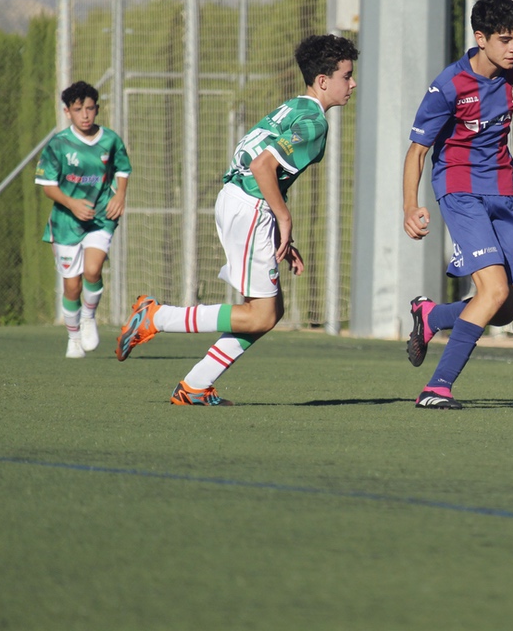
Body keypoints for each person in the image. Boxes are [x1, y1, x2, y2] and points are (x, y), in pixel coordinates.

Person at [113, 34, 359, 405]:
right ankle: (156, 316)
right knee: (260, 314)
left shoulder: (294, 107)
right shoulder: (314, 124)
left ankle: (195, 385)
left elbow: (259, 164)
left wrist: (278, 232)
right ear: (323, 81)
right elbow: (263, 167)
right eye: (347, 75)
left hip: (240, 202)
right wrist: (283, 217)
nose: (353, 83)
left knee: (266, 311)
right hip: (249, 207)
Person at [403, 0, 513, 409]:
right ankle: (436, 388)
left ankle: (431, 317)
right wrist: (410, 206)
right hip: (459, 189)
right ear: (481, 38)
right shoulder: (449, 85)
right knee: (491, 293)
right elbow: (417, 151)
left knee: (505, 307)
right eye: (505, 40)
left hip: (503, 188)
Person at [35, 81, 132, 359]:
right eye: (79, 110)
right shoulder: (59, 145)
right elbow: (47, 186)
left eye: (90, 109)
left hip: (101, 216)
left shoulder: (110, 140)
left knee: (93, 269)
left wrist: (120, 195)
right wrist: (72, 203)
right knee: (72, 285)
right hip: (66, 222)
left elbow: (123, 169)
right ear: (68, 112)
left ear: (97, 109)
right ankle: (73, 337)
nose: (85, 115)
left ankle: (89, 317)